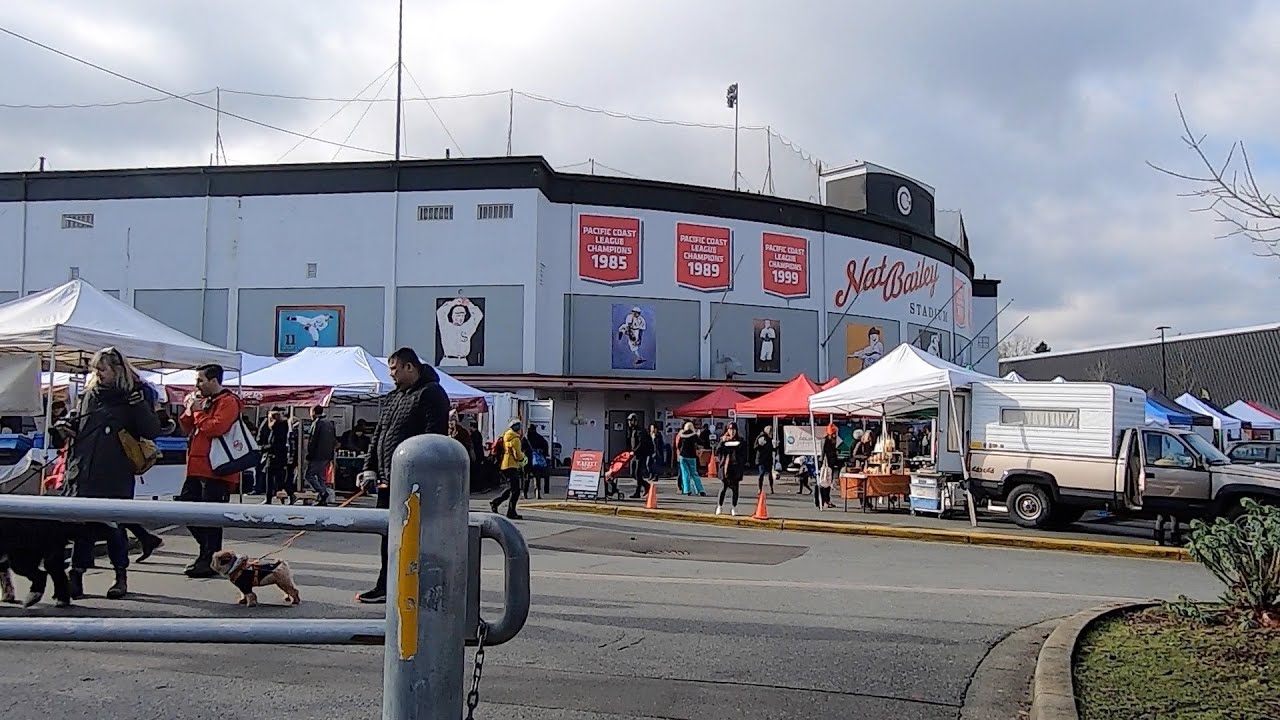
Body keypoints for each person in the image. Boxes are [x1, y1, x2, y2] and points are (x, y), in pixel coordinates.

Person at [54, 347, 162, 600]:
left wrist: (139, 407)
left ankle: (120, 576)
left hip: (114, 469)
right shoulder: (90, 393)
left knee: (114, 525)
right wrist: (66, 426)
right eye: (95, 369)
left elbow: (152, 430)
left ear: (117, 369)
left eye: (102, 369)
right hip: (82, 466)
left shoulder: (136, 394)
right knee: (82, 526)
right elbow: (79, 421)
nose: (97, 374)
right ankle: (76, 577)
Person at [356, 348, 451, 604]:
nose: (392, 374)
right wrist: (369, 467)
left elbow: (435, 438)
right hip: (387, 480)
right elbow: (378, 435)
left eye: (395, 369)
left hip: (414, 484)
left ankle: (417, 586)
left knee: (414, 538)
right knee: (387, 535)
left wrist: (425, 475)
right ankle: (386, 585)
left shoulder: (432, 394)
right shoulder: (393, 397)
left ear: (410, 367)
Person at [178, 363, 245, 578]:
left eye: (200, 380)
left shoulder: (229, 401)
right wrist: (190, 410)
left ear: (214, 381)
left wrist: (198, 413)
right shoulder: (203, 401)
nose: (196, 384)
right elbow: (187, 428)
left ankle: (209, 558)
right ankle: (208, 553)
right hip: (196, 466)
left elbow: (216, 427)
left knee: (211, 517)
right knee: (185, 510)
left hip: (217, 469)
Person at [489, 419, 526, 518]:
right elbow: (517, 455)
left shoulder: (507, 436)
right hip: (512, 465)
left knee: (511, 488)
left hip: (505, 465)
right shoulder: (516, 439)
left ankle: (496, 503)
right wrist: (523, 456)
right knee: (515, 491)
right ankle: (511, 512)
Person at [258, 409, 294, 505]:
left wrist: (264, 448)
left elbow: (275, 444)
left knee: (274, 479)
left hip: (276, 456)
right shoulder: (280, 427)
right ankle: (288, 494)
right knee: (275, 479)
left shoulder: (277, 428)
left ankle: (271, 498)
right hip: (278, 456)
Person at [303, 405, 336, 506]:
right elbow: (333, 440)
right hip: (327, 455)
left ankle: (322, 493)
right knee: (321, 477)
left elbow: (313, 440)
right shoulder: (330, 423)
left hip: (317, 455)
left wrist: (309, 454)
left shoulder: (317, 423)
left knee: (309, 475)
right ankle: (323, 499)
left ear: (313, 412)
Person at [436, 297, 484, 367]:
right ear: (452, 315)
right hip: (448, 361)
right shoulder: (445, 326)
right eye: (458, 315)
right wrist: (453, 303)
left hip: (463, 361)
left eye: (462, 315)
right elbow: (440, 312)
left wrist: (469, 304)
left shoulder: (467, 327)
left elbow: (478, 315)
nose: (460, 318)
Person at [713, 424, 746, 516]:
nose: (732, 431)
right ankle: (719, 506)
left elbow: (743, 453)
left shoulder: (741, 440)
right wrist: (722, 442)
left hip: (736, 466)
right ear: (727, 430)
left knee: (735, 488)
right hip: (725, 466)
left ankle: (734, 507)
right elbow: (717, 451)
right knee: (724, 486)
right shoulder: (723, 439)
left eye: (734, 429)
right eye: (730, 429)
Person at [625, 413, 653, 498]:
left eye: (631, 421)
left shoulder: (641, 431)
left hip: (641, 455)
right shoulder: (631, 430)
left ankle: (637, 492)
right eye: (629, 421)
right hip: (634, 455)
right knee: (633, 474)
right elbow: (631, 442)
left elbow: (641, 443)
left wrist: (635, 451)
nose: (629, 422)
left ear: (635, 421)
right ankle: (646, 486)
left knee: (638, 473)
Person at [676, 421, 706, 496]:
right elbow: (701, 442)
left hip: (683, 456)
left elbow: (678, 445)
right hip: (692, 456)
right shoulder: (694, 435)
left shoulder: (681, 435)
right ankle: (700, 490)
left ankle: (686, 490)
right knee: (694, 473)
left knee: (685, 473)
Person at [817, 424, 840, 510]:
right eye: (834, 433)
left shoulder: (831, 441)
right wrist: (821, 463)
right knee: (824, 483)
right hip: (826, 464)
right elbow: (823, 453)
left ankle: (827, 500)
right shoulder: (826, 441)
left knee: (828, 483)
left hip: (830, 464)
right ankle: (824, 500)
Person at [524, 424, 551, 498]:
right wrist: (543, 453)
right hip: (537, 461)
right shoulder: (540, 438)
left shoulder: (525, 439)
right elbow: (545, 447)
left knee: (527, 477)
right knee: (537, 477)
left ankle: (525, 493)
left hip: (527, 461)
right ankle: (537, 492)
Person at [754, 425, 777, 494]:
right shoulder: (761, 437)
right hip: (761, 459)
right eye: (771, 432)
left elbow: (770, 448)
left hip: (768, 459)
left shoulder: (769, 438)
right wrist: (760, 445)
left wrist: (776, 447)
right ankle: (760, 488)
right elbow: (755, 447)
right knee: (761, 474)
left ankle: (771, 488)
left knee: (770, 474)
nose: (772, 434)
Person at [646, 422, 667, 486]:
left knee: (656, 465)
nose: (652, 430)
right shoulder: (648, 435)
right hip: (650, 451)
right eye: (651, 428)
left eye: (653, 428)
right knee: (648, 464)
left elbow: (660, 444)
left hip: (657, 452)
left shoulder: (658, 435)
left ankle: (656, 476)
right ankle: (651, 474)